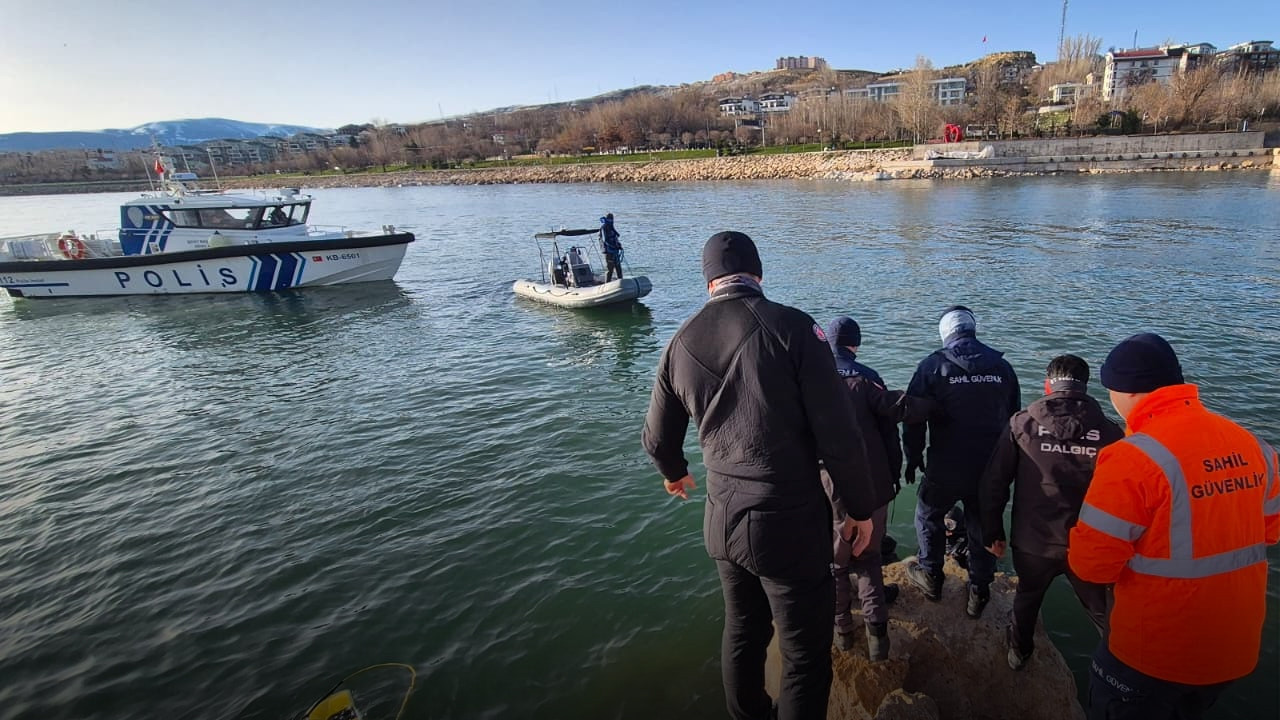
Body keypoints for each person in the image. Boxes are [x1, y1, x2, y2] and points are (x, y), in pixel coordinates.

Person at [642, 231, 876, 720]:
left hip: (721, 518)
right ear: (759, 274)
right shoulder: (793, 328)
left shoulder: (680, 341)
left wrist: (675, 474)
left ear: (708, 281)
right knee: (805, 656)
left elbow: (659, 440)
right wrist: (858, 508)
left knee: (743, 633)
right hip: (786, 521)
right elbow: (839, 435)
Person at [1068, 333, 1279, 720]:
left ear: (1125, 390)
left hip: (1152, 656)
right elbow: (1269, 530)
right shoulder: (1254, 445)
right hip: (1231, 652)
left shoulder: (1131, 458)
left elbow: (1091, 567)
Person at [979, 354, 1123, 671]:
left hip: (1034, 541)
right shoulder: (1112, 434)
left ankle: (1019, 653)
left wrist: (992, 532)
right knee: (1103, 613)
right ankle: (1122, 669)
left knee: (1028, 597)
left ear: (1048, 385)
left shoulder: (1021, 424)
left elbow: (994, 482)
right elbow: (1126, 496)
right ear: (1085, 389)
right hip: (1088, 544)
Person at [822, 316, 932, 662]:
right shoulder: (868, 377)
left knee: (835, 562)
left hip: (824, 485)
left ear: (826, 343)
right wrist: (894, 474)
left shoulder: (810, 377)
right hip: (870, 483)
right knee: (868, 559)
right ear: (855, 344)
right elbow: (890, 429)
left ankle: (841, 632)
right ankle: (877, 640)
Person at [902, 305, 1020, 618]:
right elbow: (1015, 422)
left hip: (946, 464)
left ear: (945, 334)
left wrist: (912, 457)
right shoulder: (1003, 367)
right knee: (982, 523)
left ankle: (931, 576)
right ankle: (979, 591)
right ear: (972, 330)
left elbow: (913, 419)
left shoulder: (932, 366)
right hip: (990, 467)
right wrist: (1011, 467)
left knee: (928, 516)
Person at [600, 213, 623, 281]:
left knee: (618, 268)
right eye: (609, 219)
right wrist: (612, 247)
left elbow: (615, 238)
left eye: (612, 219)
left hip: (615, 252)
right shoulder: (604, 228)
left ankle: (621, 281)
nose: (611, 221)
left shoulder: (612, 228)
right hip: (609, 252)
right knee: (610, 269)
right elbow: (605, 240)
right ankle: (607, 283)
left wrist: (618, 245)